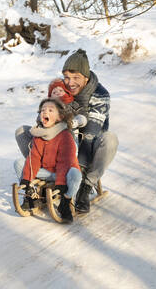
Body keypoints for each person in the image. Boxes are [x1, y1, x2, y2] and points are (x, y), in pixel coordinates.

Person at [16, 49, 119, 214]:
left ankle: (85, 186)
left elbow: (90, 133)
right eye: (67, 77)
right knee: (22, 131)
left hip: (87, 148)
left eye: (76, 78)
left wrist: (77, 169)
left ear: (86, 77)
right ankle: (42, 175)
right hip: (60, 147)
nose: (70, 83)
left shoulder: (100, 94)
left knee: (110, 139)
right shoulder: (61, 89)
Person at [14, 98, 82, 223]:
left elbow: (65, 162)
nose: (45, 112)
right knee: (18, 163)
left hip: (64, 172)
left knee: (76, 174)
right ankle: (31, 195)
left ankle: (65, 202)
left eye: (50, 110)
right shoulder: (39, 135)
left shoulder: (65, 135)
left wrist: (61, 183)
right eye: (43, 110)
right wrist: (27, 179)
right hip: (47, 171)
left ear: (59, 117)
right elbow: (34, 158)